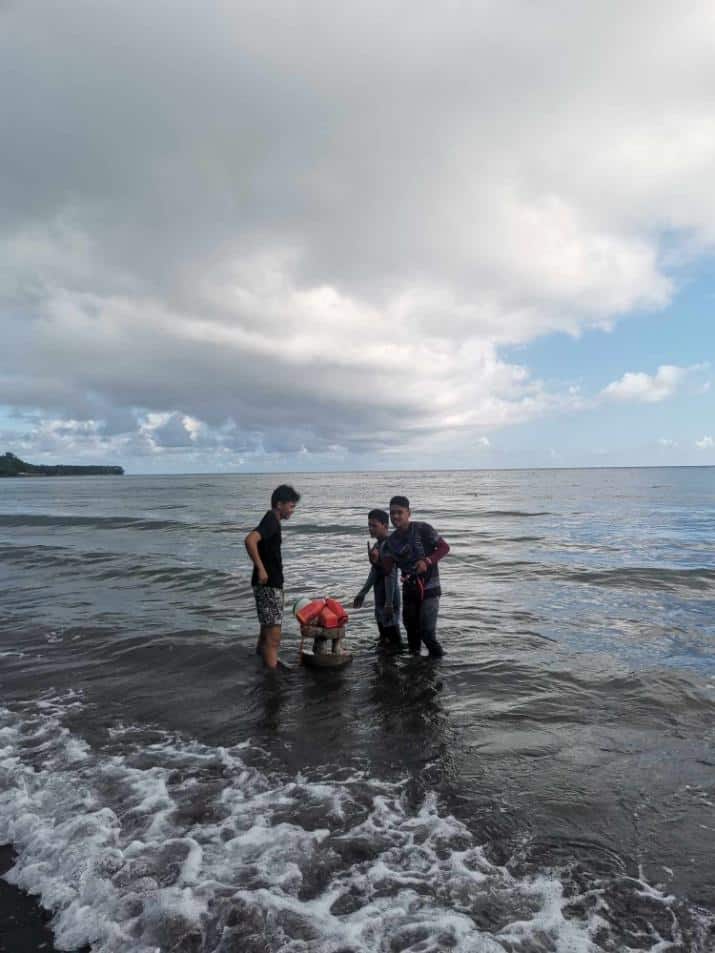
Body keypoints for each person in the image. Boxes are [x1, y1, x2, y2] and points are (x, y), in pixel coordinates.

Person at [381, 495, 450, 658]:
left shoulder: (423, 529)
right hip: (409, 591)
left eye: (400, 512)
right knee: (412, 635)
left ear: (408, 513)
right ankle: (415, 670)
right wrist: (377, 560)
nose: (395, 516)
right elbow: (387, 570)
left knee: (427, 634)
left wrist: (427, 560)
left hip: (430, 589)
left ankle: (439, 666)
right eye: (392, 513)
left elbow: (444, 547)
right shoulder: (390, 542)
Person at [244, 484, 300, 669]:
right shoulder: (271, 520)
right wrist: (261, 568)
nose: (292, 510)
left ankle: (261, 663)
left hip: (267, 584)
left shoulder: (272, 520)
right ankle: (272, 680)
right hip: (269, 585)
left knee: (266, 630)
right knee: (273, 636)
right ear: (279, 504)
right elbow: (250, 540)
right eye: (291, 506)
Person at [352, 509, 402, 651]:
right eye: (369, 525)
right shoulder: (377, 545)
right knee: (384, 637)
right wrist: (363, 592)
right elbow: (374, 572)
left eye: (374, 526)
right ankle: (384, 665)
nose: (370, 529)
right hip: (381, 597)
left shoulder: (389, 546)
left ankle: (396, 668)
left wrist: (389, 603)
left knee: (394, 640)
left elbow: (390, 576)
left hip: (389, 598)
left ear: (385, 526)